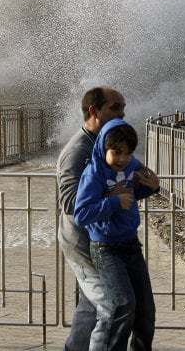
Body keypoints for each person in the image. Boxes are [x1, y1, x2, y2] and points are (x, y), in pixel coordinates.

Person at [74, 118, 160, 351]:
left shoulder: (132, 166)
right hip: (106, 249)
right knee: (123, 305)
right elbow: (81, 214)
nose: (122, 159)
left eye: (128, 153)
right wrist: (113, 202)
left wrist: (152, 188)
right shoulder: (93, 173)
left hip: (131, 246)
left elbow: (131, 196)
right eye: (116, 152)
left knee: (145, 311)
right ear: (103, 148)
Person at [57, 87, 131, 351]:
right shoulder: (78, 150)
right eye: (115, 107)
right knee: (111, 306)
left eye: (123, 107)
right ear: (93, 111)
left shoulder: (105, 145)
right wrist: (113, 197)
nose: (122, 112)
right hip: (81, 243)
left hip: (100, 241)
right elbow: (69, 203)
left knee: (90, 305)